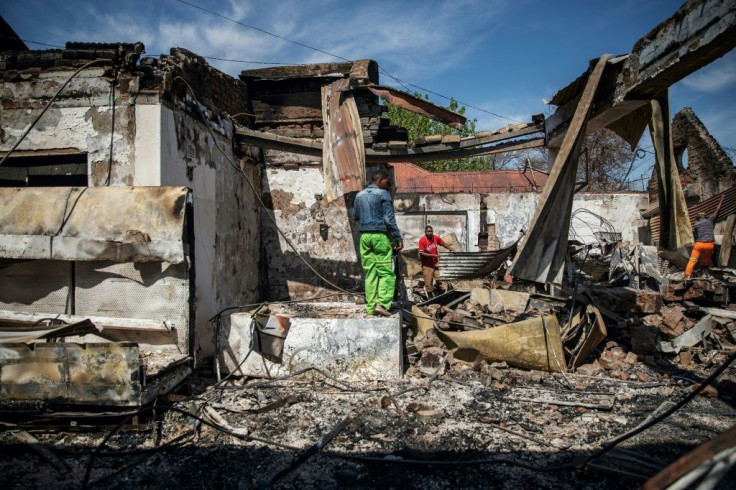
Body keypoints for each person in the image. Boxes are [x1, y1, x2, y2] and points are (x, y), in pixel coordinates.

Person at [352, 171, 403, 316]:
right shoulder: (383, 194)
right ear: (380, 180)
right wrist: (397, 237)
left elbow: (355, 216)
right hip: (380, 236)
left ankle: (371, 307)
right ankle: (382, 304)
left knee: (370, 273)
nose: (389, 185)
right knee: (386, 273)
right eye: (387, 182)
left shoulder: (359, 195)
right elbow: (388, 219)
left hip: (364, 237)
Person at [685, 195, 723, 281]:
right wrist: (722, 199)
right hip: (709, 244)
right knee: (707, 255)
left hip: (699, 244)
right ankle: (704, 270)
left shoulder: (696, 224)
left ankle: (687, 275)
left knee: (692, 260)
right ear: (705, 216)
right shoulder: (709, 220)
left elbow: (695, 234)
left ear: (697, 218)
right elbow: (717, 210)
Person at [418, 225, 453, 297]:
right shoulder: (422, 240)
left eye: (431, 231)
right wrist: (433, 255)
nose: (429, 233)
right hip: (427, 266)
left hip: (435, 264)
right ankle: (430, 299)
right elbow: (421, 253)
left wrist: (449, 248)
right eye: (428, 231)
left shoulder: (435, 238)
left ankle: (439, 291)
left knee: (440, 278)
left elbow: (443, 243)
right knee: (428, 283)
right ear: (425, 232)